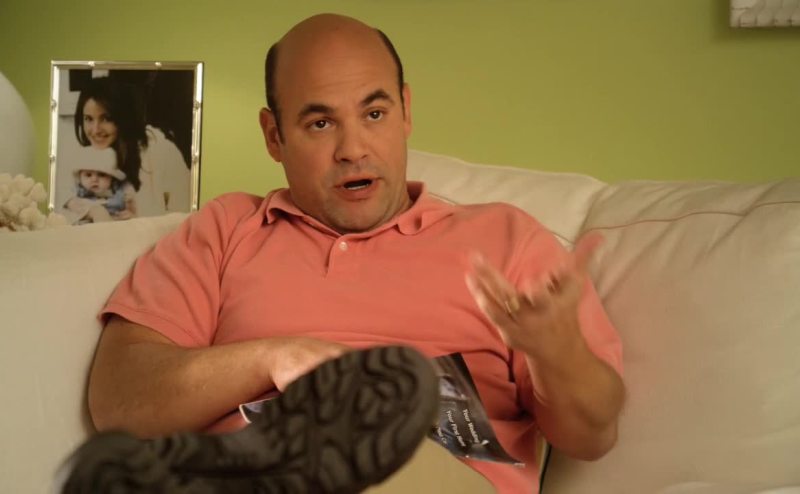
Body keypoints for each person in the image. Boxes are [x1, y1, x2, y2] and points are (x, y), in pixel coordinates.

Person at [62, 13, 625, 494]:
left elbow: (592, 436)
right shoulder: (226, 229)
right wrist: (272, 359)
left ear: (405, 111)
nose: (353, 149)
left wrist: (557, 354)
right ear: (274, 136)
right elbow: (119, 399)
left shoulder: (505, 239)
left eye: (374, 114)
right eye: (320, 122)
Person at [74, 76, 191, 217]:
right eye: (88, 119)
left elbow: (182, 214)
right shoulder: (86, 157)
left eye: (106, 118)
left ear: (123, 118)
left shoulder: (159, 151)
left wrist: (136, 219)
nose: (95, 130)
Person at [64, 146, 136, 223]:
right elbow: (72, 206)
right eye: (88, 175)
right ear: (80, 178)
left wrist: (130, 214)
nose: (94, 179)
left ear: (111, 178)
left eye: (101, 175)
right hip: (86, 225)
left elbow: (133, 212)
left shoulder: (120, 192)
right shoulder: (76, 192)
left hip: (114, 223)